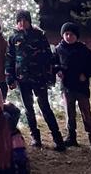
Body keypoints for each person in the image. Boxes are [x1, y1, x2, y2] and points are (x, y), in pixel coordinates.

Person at [6, 10, 65, 151]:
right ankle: (35, 137)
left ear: (29, 21)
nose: (22, 23)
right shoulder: (13, 37)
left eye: (25, 20)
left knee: (45, 107)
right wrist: (10, 77)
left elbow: (48, 55)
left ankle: (57, 138)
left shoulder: (39, 35)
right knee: (28, 109)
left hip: (39, 78)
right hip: (22, 79)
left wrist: (50, 72)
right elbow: (9, 58)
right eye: (19, 21)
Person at [53, 21, 91, 149]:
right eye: (66, 34)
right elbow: (54, 63)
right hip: (67, 87)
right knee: (69, 112)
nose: (69, 37)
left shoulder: (83, 50)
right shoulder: (59, 49)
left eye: (72, 34)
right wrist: (58, 70)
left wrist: (86, 74)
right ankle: (71, 136)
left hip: (81, 87)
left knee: (86, 112)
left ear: (76, 36)